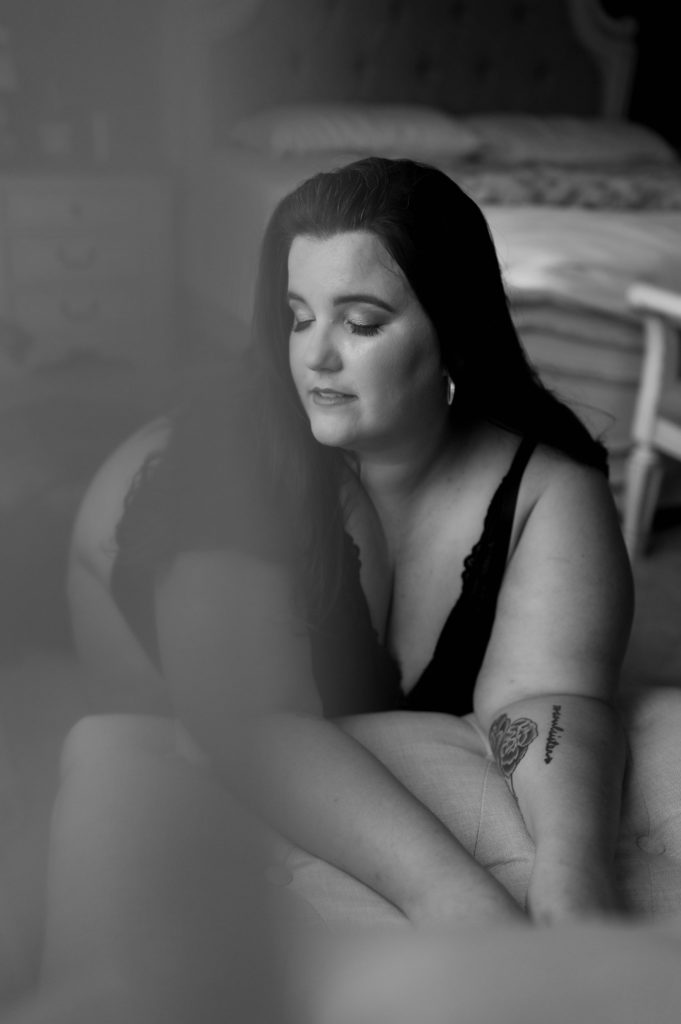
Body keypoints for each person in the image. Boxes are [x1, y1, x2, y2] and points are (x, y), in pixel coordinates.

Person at [59, 154, 634, 979]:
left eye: (359, 324)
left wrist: (573, 885)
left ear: (452, 331)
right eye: (297, 317)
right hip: (176, 695)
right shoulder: (227, 470)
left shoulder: (543, 481)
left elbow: (551, 697)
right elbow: (250, 722)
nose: (315, 358)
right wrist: (455, 898)